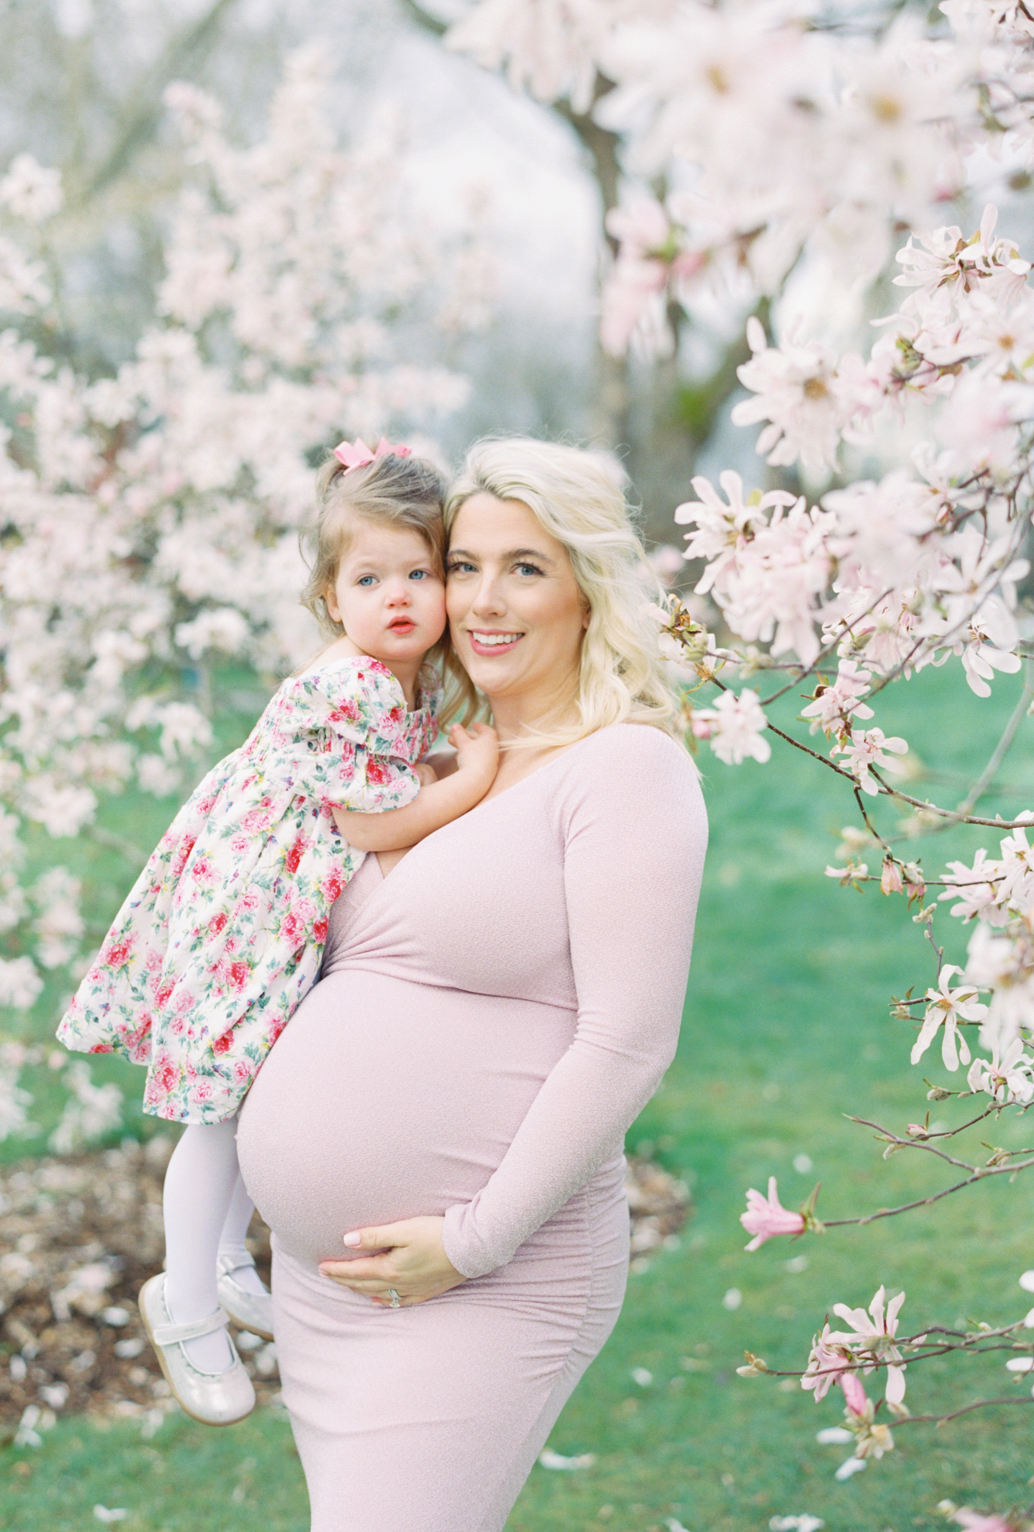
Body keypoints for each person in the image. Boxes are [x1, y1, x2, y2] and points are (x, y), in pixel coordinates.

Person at [236, 435, 709, 1531]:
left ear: (587, 587)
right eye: (464, 564)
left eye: (525, 567)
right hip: (331, 1284)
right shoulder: (437, 754)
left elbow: (628, 1041)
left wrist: (476, 1238)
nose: (483, 600)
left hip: (485, 1275)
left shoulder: (625, 768)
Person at [55, 438, 499, 1426]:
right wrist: (465, 784)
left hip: (273, 891)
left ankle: (219, 1254)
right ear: (330, 594)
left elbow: (374, 791)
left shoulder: (399, 679)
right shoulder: (355, 683)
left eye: (419, 572)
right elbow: (367, 822)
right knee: (221, 1108)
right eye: (367, 576)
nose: (397, 596)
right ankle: (183, 1298)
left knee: (264, 1087)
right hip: (248, 903)